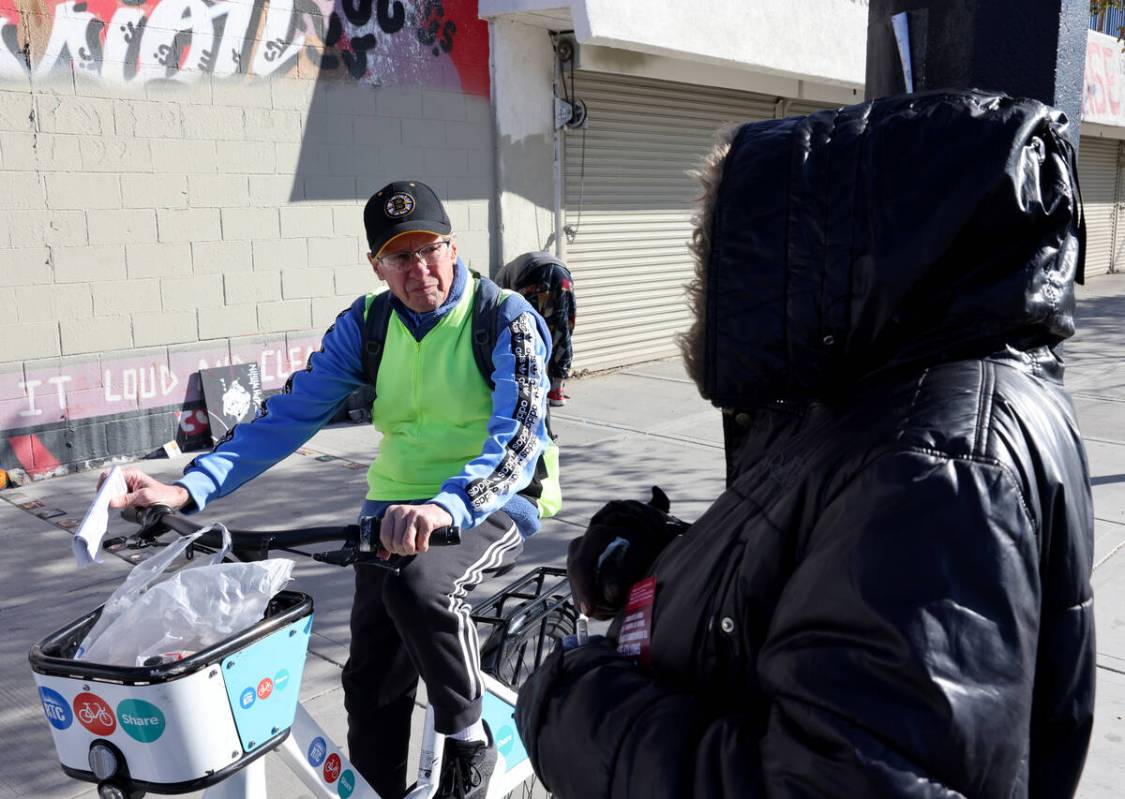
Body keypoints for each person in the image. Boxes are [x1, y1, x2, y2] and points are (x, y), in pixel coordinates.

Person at [515, 90, 1095, 797]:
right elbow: (820, 568)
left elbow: (842, 781)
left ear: (822, 262)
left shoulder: (937, 465)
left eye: (724, 252)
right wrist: (667, 562)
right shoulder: (884, 398)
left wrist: (575, 712)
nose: (707, 281)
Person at [108, 180, 556, 799]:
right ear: (377, 264)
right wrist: (187, 491)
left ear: (454, 246)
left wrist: (443, 507)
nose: (419, 268)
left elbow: (517, 441)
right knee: (370, 677)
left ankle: (468, 733)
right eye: (400, 256)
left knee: (421, 586)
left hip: (494, 496)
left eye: (431, 248)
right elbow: (287, 416)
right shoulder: (367, 323)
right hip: (393, 499)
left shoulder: (504, 318)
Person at [495, 251, 576, 406]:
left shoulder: (499, 283)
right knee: (562, 328)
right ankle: (557, 389)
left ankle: (530, 387)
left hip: (534, 277)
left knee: (528, 333)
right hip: (564, 276)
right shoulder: (510, 270)